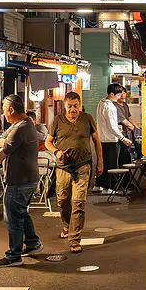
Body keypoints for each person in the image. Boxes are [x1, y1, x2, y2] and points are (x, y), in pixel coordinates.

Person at [0, 95, 43, 267]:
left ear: (12, 110)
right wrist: (3, 141)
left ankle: (14, 255)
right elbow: (1, 139)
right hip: (28, 178)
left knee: (13, 217)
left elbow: (3, 151)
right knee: (20, 212)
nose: (3, 113)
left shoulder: (20, 128)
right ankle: (32, 243)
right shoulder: (24, 124)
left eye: (5, 110)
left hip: (19, 180)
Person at [45, 92, 102, 254]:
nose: (73, 109)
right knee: (63, 201)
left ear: (79, 104)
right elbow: (48, 142)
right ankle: (66, 224)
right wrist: (56, 152)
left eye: (75, 106)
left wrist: (100, 162)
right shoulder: (57, 120)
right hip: (63, 167)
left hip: (83, 167)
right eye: (69, 106)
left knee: (78, 201)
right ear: (65, 106)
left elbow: (97, 141)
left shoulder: (87, 119)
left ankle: (75, 238)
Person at [95, 83, 132, 193]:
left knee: (102, 162)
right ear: (111, 94)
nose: (119, 97)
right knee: (110, 165)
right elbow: (112, 126)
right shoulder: (110, 106)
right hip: (110, 139)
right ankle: (108, 188)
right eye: (118, 95)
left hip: (102, 138)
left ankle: (99, 185)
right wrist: (123, 138)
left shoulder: (101, 102)